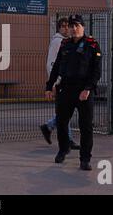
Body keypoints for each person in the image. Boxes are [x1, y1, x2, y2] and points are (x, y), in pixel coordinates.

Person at [45, 15, 102, 171]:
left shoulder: (92, 44)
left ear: (83, 27)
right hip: (66, 89)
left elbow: (96, 71)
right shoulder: (65, 44)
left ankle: (85, 159)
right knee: (62, 122)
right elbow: (56, 67)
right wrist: (49, 87)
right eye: (71, 26)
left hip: (84, 91)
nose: (74, 28)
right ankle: (63, 149)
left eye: (77, 25)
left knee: (86, 127)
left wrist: (88, 89)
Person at [40, 18, 80, 150]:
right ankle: (64, 137)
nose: (66, 28)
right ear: (59, 28)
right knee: (65, 110)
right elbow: (52, 63)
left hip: (64, 81)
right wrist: (55, 83)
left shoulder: (66, 41)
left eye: (68, 26)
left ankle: (50, 127)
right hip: (60, 82)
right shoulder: (58, 42)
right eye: (63, 26)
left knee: (65, 110)